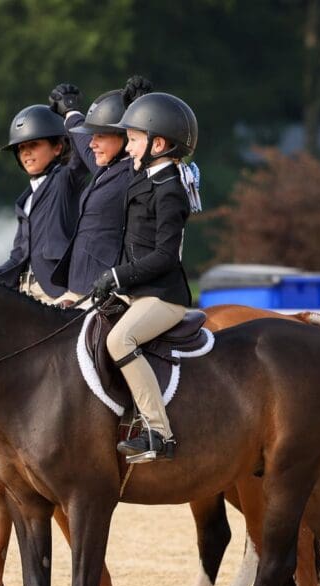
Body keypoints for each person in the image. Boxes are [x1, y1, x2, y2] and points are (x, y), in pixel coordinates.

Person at [90, 92, 200, 462]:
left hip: (163, 296)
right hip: (135, 291)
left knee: (121, 340)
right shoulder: (143, 179)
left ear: (159, 143)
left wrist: (117, 276)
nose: (128, 147)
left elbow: (165, 257)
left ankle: (158, 432)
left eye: (134, 139)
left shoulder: (169, 191)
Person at [48, 76, 152, 306]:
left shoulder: (135, 173)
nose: (93, 144)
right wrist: (71, 112)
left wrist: (142, 111)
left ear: (127, 137)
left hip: (106, 294)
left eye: (101, 136)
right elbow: (84, 142)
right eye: (93, 136)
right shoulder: (106, 165)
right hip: (78, 289)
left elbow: (149, 154)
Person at [0, 104, 88, 304]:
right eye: (21, 147)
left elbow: (82, 157)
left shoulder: (64, 179)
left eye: (34, 145)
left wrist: (71, 112)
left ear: (58, 147)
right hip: (23, 291)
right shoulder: (25, 200)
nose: (26, 153)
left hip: (56, 293)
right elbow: (18, 257)